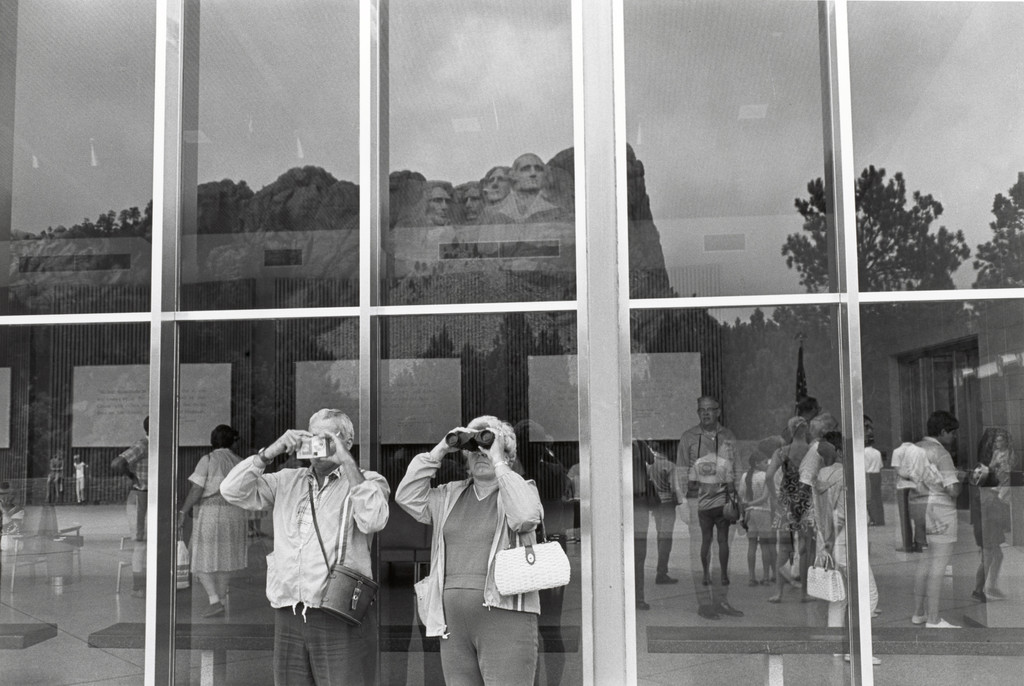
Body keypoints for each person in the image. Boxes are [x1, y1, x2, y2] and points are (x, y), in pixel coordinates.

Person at [220, 409, 389, 686]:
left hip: (337, 611)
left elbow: (374, 519)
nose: (319, 444)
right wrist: (269, 453)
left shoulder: (368, 481)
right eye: (313, 436)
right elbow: (231, 490)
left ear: (348, 441)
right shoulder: (287, 480)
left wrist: (345, 462)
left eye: (329, 437)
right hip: (289, 610)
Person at [396, 416, 543, 685]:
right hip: (452, 623)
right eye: (473, 449)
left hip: (505, 617)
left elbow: (524, 516)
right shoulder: (450, 495)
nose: (480, 454)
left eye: (487, 446)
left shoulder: (520, 490)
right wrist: (441, 448)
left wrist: (498, 461)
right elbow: (407, 496)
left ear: (507, 455)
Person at [813, 435, 881, 665]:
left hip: (832, 544)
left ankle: (836, 646)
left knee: (839, 598)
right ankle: (858, 648)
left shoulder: (821, 475)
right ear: (841, 451)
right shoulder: (848, 474)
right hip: (847, 541)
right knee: (868, 595)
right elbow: (852, 509)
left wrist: (824, 544)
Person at [677, 395, 742, 620]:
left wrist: (738, 500)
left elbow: (737, 469)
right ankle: (705, 604)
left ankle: (721, 600)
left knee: (724, 552)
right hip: (698, 503)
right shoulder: (688, 438)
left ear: (718, 412)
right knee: (700, 553)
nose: (705, 413)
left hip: (724, 503)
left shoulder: (728, 436)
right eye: (701, 410)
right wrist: (683, 503)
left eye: (710, 409)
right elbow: (681, 472)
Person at [176, 425, 248, 617]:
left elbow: (197, 489)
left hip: (211, 511)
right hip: (235, 512)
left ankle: (214, 599)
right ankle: (222, 601)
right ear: (233, 441)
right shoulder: (241, 462)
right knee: (225, 557)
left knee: (200, 556)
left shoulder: (207, 460)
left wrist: (184, 510)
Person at [910, 410, 964, 629]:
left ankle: (918, 613)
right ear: (943, 431)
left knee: (924, 563)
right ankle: (933, 619)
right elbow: (952, 490)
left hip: (918, 509)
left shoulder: (914, 449)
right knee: (938, 566)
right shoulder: (940, 453)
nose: (954, 438)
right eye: (952, 433)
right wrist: (960, 479)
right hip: (940, 511)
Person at [766, 416, 813, 603]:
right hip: (805, 500)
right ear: (805, 430)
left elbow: (769, 476)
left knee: (783, 549)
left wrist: (774, 496)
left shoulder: (781, 452)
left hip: (785, 500)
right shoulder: (812, 451)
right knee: (804, 549)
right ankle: (804, 592)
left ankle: (778, 592)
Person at [970, 428, 1016, 602]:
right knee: (988, 556)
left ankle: (990, 586)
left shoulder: (988, 482)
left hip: (989, 520)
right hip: (988, 521)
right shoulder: (988, 491)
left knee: (996, 555)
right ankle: (978, 589)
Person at [112, 416, 149, 597]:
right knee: (141, 544)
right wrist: (132, 476)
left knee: (154, 543)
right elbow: (117, 463)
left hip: (154, 498)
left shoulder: (161, 446)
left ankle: (150, 583)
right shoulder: (143, 445)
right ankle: (139, 587)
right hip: (141, 496)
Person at [482, 154, 568, 224]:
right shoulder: (492, 214)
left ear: (544, 175)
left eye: (538, 169)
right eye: (526, 169)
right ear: (513, 175)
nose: (533, 173)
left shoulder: (558, 212)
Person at [742, 445, 776, 586]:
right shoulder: (766, 476)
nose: (767, 464)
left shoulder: (745, 476)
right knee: (765, 546)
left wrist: (747, 506)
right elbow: (764, 498)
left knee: (751, 545)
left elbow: (742, 495)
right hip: (763, 512)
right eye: (764, 462)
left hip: (750, 513)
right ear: (757, 463)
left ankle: (751, 577)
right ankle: (766, 577)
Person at [891, 440, 926, 552]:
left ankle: (907, 545)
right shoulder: (921, 451)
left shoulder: (897, 451)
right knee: (919, 515)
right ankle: (920, 542)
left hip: (903, 485)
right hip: (918, 485)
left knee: (904, 516)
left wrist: (909, 476)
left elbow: (898, 470)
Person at [864, 416, 885, 525]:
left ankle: (873, 518)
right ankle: (880, 518)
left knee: (870, 498)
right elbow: (880, 465)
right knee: (877, 497)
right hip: (877, 474)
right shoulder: (877, 452)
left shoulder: (864, 452)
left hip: (868, 475)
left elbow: (864, 466)